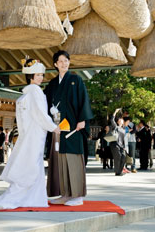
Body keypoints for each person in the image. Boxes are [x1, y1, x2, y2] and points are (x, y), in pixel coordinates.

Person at [0, 59, 60, 209]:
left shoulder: (27, 93)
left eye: (41, 75)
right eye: (38, 75)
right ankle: (32, 198)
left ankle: (34, 198)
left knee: (32, 162)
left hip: (30, 133)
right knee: (33, 164)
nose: (41, 77)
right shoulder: (36, 92)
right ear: (31, 76)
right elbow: (39, 113)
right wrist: (53, 127)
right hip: (36, 133)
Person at [45, 50, 93, 206]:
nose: (64, 63)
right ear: (55, 65)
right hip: (59, 127)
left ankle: (77, 196)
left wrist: (83, 120)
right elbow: (45, 102)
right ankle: (66, 194)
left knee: (74, 158)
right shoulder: (52, 84)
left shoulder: (75, 79)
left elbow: (83, 99)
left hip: (74, 126)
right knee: (62, 160)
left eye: (66, 60)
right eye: (60, 61)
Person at [109, 109, 126, 176]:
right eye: (119, 120)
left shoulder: (124, 129)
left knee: (123, 157)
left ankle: (120, 171)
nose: (120, 121)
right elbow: (112, 120)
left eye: (121, 120)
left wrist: (125, 146)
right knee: (117, 157)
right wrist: (115, 112)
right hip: (115, 145)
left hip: (122, 146)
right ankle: (117, 172)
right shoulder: (116, 127)